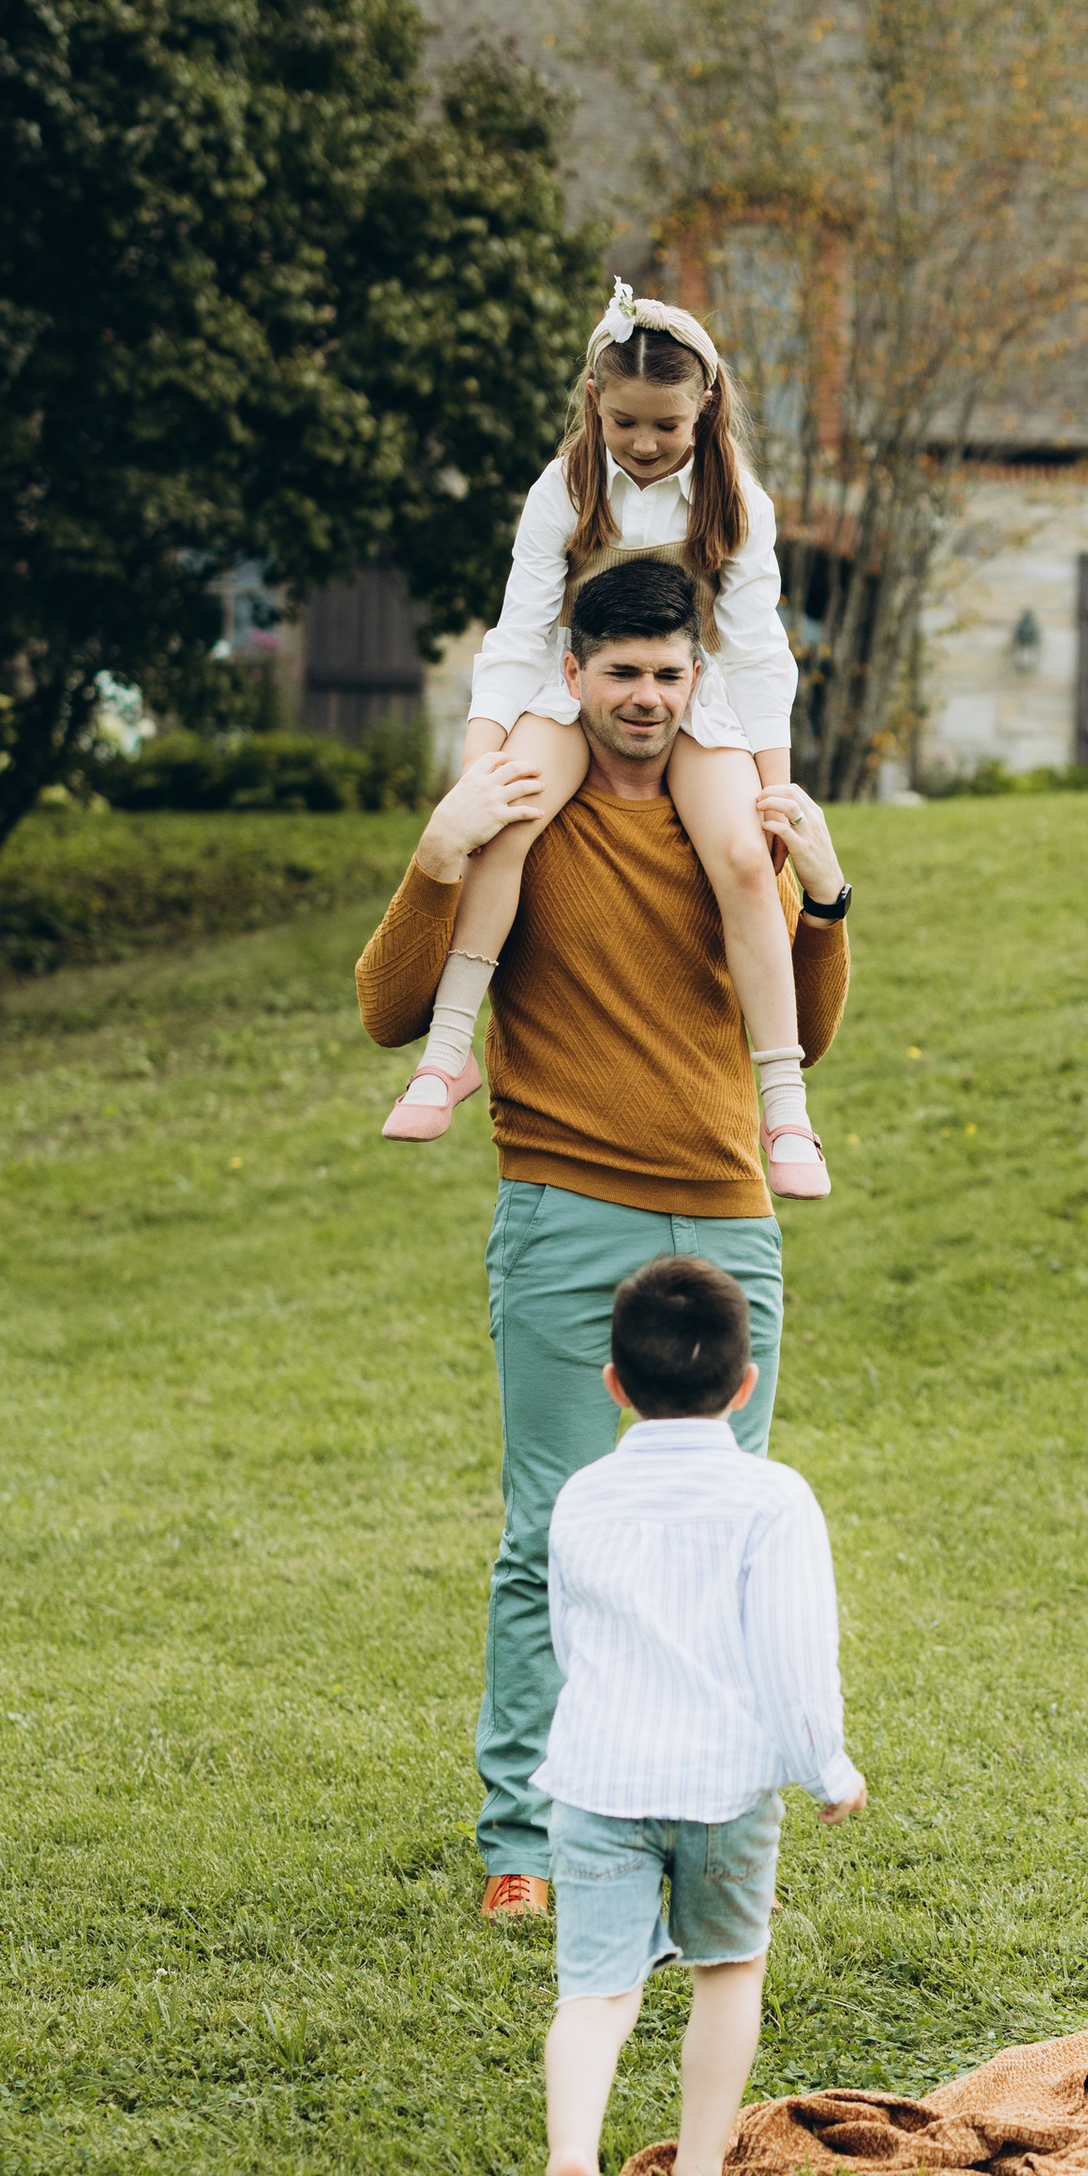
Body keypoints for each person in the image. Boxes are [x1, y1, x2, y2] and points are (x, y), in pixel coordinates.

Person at [355, 554, 852, 1921]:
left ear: (699, 684)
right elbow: (389, 1010)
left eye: (667, 675)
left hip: (728, 1210)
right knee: (553, 1539)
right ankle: (523, 1841)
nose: (643, 697)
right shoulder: (524, 812)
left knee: (717, 1542)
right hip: (566, 1206)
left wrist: (827, 901)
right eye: (620, 673)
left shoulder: (726, 820)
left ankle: (703, 1824)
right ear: (572, 676)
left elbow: (801, 1034)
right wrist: (435, 851)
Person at [380, 278, 833, 1202]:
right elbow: (515, 635)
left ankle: (784, 1107)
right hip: (572, 685)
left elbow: (754, 652)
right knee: (507, 820)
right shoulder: (565, 487)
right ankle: (448, 1051)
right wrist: (481, 763)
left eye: (666, 424)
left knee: (746, 859)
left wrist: (774, 790)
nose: (644, 442)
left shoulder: (735, 498)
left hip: (685, 690)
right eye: (625, 421)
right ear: (595, 404)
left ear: (705, 404)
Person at [535, 1254, 864, 2176]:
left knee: (595, 1993)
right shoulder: (770, 1496)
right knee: (728, 1971)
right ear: (747, 1380)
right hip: (725, 1786)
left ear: (614, 1385)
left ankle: (574, 2155)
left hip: (598, 1779)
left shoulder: (583, 1494)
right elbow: (793, 1650)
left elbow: (563, 1635)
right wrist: (826, 1760)